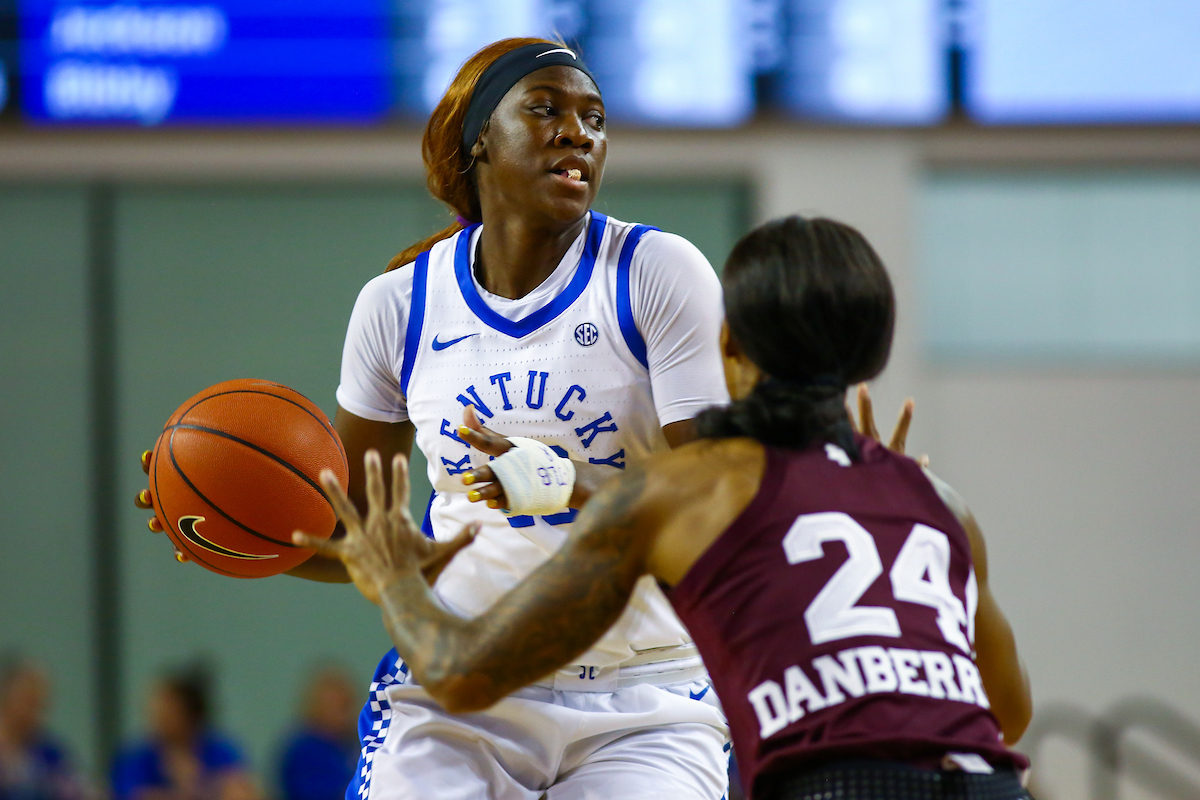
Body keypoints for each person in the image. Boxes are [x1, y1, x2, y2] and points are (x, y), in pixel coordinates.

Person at [135, 35, 908, 799]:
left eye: (595, 118)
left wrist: (566, 482)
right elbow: (356, 536)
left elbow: (711, 522)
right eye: (545, 110)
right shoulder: (398, 307)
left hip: (647, 695)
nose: (578, 132)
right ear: (480, 143)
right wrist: (228, 521)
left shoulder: (654, 273)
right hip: (461, 677)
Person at [295, 216, 1034, 800]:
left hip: (831, 781)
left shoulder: (692, 492)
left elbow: (459, 676)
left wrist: (393, 577)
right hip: (989, 783)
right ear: (874, 353)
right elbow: (1010, 711)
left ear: (727, 344)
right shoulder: (935, 500)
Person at [111, 666, 259, 800]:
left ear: (188, 714)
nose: (157, 715)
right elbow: (132, 794)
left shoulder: (220, 749)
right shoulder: (137, 755)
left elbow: (242, 790)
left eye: (167, 710)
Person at [0, 655, 86, 800]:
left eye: (42, 703)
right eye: (30, 700)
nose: (37, 713)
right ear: (7, 696)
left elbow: (80, 791)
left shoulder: (50, 753)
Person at [277, 666, 359, 800]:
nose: (341, 714)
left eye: (344, 706)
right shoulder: (303, 751)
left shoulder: (354, 745)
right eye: (333, 705)